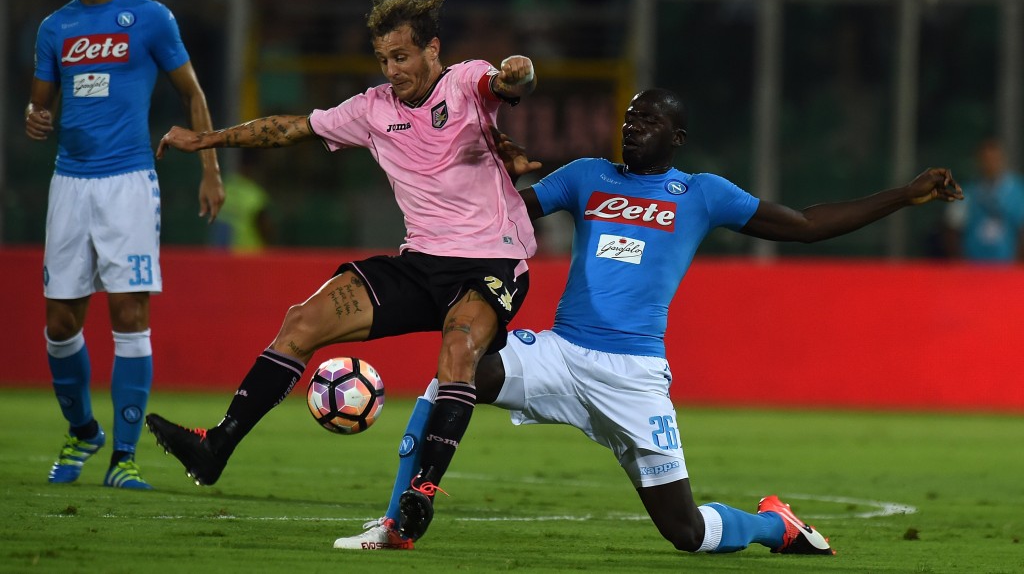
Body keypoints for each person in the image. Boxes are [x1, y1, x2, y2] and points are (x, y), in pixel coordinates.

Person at [334, 88, 963, 553]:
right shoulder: (585, 177)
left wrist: (904, 195)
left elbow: (806, 225)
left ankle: (776, 526)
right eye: (631, 118)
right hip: (558, 353)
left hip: (633, 376)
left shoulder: (701, 193)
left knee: (685, 534)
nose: (635, 128)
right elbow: (500, 218)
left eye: (651, 121)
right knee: (455, 373)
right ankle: (397, 522)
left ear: (677, 138)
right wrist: (486, 164)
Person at [144, 0, 538, 541]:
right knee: (301, 321)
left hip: (491, 263)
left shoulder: (464, 81)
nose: (392, 69)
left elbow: (505, 81)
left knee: (458, 352)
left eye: (401, 56)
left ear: (432, 49)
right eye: (382, 59)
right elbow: (285, 129)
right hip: (421, 262)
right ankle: (216, 447)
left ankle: (421, 491)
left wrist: (517, 73)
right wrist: (205, 140)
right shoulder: (371, 110)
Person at [25, 0, 225, 490]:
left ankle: (125, 459)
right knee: (60, 323)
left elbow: (193, 94)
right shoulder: (53, 29)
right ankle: (84, 430)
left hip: (129, 184)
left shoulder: (151, 18)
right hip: (70, 185)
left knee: (130, 318)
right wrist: (34, 118)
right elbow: (40, 106)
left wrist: (209, 170)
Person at [942, 137, 1024, 262]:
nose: (990, 164)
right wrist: (958, 262)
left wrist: (1018, 263)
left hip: (1007, 267)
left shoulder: (1018, 192)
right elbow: (952, 228)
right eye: (986, 159)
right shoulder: (967, 192)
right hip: (973, 267)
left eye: (994, 159)